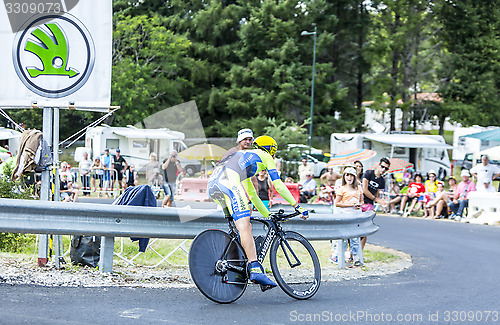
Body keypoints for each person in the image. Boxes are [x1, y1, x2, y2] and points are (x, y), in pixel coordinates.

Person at [207, 135, 308, 289]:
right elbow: (278, 185)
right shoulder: (265, 156)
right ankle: (255, 268)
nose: (273, 156)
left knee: (237, 228)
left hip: (213, 185)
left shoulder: (247, 159)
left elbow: (252, 194)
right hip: (228, 183)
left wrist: (267, 215)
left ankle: (238, 265)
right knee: (245, 226)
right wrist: (296, 205)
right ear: (271, 150)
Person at [333, 167, 364, 266]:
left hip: (355, 216)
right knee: (344, 238)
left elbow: (362, 200)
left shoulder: (358, 188)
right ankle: (339, 256)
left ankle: (355, 258)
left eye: (351, 175)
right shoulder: (341, 189)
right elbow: (337, 203)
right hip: (345, 216)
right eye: (347, 175)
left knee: (355, 238)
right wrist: (350, 205)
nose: (349, 177)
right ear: (344, 176)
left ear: (355, 177)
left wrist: (359, 204)